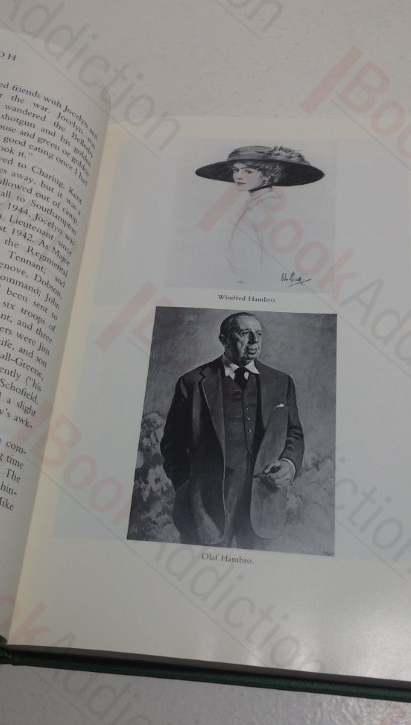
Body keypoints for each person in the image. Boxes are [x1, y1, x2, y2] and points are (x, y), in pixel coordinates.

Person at [160, 312, 304, 550]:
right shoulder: (191, 383)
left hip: (264, 501)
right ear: (223, 339)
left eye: (258, 334)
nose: (254, 341)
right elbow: (171, 444)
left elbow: (294, 433)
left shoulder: (281, 382)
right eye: (245, 333)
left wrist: (289, 463)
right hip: (206, 507)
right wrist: (187, 485)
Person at [195, 145, 324, 283]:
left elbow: (271, 260)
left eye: (248, 171)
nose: (238, 176)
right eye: (236, 170)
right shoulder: (253, 206)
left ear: (268, 175)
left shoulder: (269, 207)